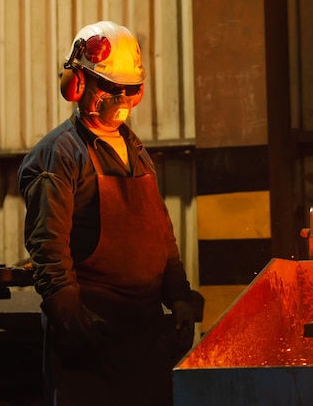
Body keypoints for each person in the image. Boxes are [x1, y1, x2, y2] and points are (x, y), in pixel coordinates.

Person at [17, 21, 195, 406]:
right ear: (77, 84)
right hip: (91, 335)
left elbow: (160, 232)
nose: (122, 99)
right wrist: (68, 315)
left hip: (145, 334)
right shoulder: (59, 155)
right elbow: (47, 247)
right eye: (110, 88)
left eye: (129, 90)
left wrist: (178, 295)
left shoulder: (137, 150)